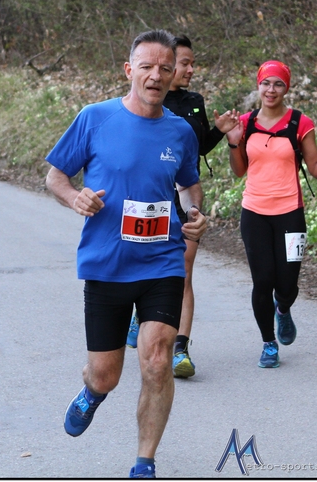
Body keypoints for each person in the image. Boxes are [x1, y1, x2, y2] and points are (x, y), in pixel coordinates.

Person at [45, 29, 208, 479]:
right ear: (129, 70)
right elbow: (55, 176)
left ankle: (144, 461)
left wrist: (195, 212)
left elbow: (189, 185)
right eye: (147, 67)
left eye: (165, 68)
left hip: (162, 261)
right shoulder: (95, 118)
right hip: (107, 263)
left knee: (157, 360)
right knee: (106, 375)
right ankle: (92, 392)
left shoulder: (180, 131)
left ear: (173, 75)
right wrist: (75, 197)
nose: (156, 75)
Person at [225, 60, 317, 368]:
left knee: (287, 284)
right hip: (254, 212)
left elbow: (315, 169)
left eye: (278, 84)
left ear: (287, 88)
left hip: (290, 213)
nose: (271, 89)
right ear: (258, 86)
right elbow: (239, 171)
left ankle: (283, 309)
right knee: (262, 281)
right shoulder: (245, 122)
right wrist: (233, 142)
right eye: (266, 83)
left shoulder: (300, 122)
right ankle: (268, 344)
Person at [126, 35, 239, 380]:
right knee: (144, 265)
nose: (190, 70)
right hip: (152, 199)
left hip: (186, 195)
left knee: (183, 271)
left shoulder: (194, 101)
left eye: (191, 64)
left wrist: (218, 131)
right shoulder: (146, 100)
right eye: (184, 63)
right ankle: (140, 312)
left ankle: (180, 349)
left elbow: (197, 147)